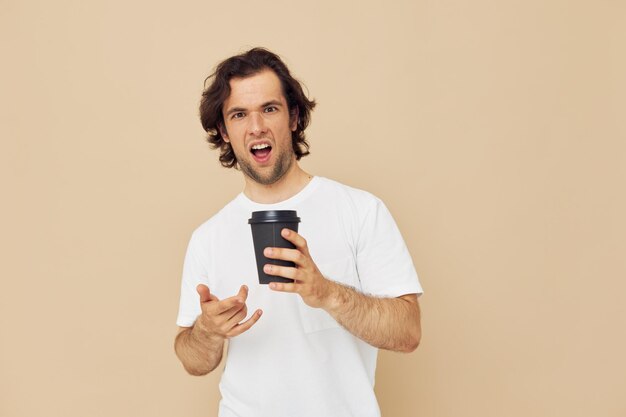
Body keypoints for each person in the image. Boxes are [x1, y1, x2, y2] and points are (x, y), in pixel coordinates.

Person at [174, 47, 423, 417]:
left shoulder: (360, 210)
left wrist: (328, 293)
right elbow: (192, 359)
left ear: (293, 117)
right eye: (239, 114)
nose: (256, 126)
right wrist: (208, 331)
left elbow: (408, 333)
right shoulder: (208, 237)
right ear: (224, 131)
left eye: (269, 109)